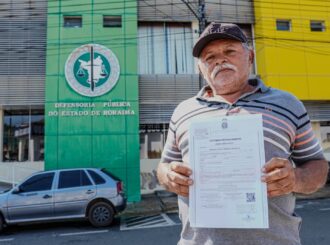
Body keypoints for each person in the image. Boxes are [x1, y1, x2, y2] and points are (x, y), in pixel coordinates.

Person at [157, 22, 329, 245]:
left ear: (250, 57)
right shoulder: (183, 111)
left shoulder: (288, 104)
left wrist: (296, 178)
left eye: (229, 51)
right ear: (200, 68)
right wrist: (169, 176)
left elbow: (317, 165)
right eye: (209, 57)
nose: (219, 60)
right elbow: (163, 166)